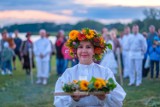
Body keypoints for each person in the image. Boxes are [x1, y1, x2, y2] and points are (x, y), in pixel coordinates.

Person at [54, 28, 126, 107]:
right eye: (80, 47)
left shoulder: (105, 72)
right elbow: (59, 102)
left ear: (95, 50)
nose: (84, 50)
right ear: (75, 50)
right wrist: (73, 99)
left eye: (88, 47)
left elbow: (118, 102)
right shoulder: (69, 73)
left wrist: (104, 98)